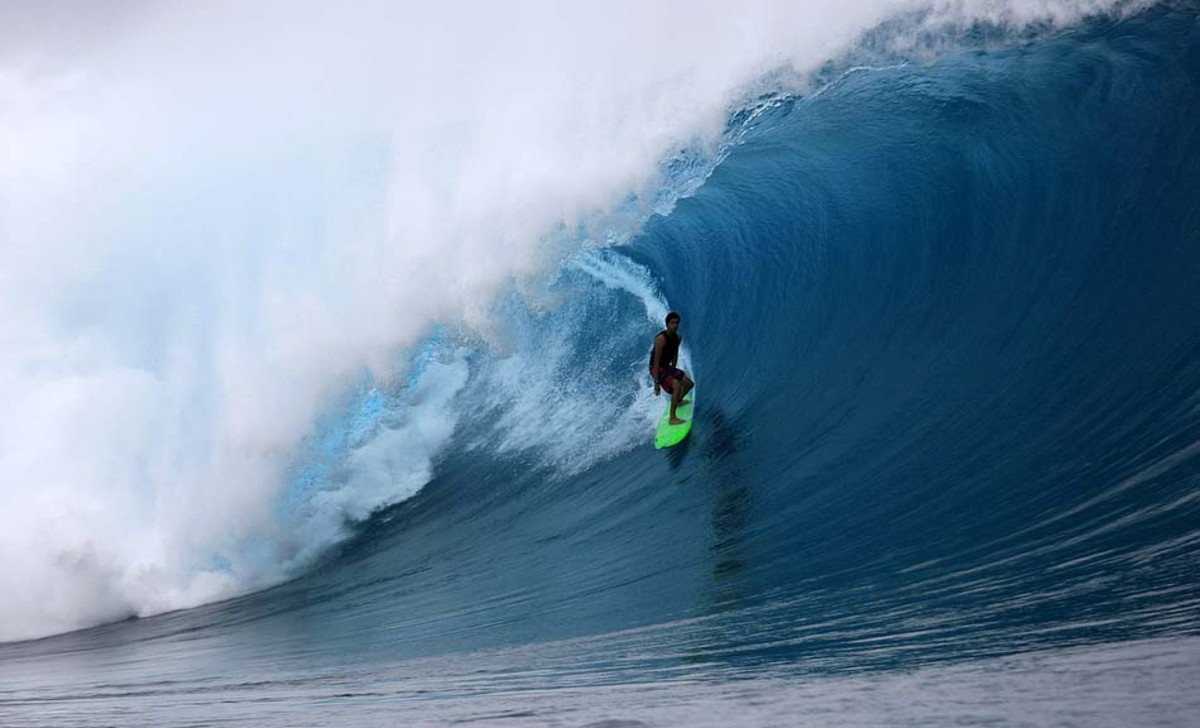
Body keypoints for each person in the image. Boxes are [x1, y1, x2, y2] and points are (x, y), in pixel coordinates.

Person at [649, 311, 694, 425]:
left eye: (676, 323)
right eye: (672, 323)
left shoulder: (678, 337)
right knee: (677, 386)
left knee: (689, 384)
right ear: (667, 324)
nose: (675, 325)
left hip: (666, 367)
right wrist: (656, 382)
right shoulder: (661, 339)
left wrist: (673, 371)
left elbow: (674, 354)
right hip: (656, 367)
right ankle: (672, 418)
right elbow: (656, 360)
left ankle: (678, 400)